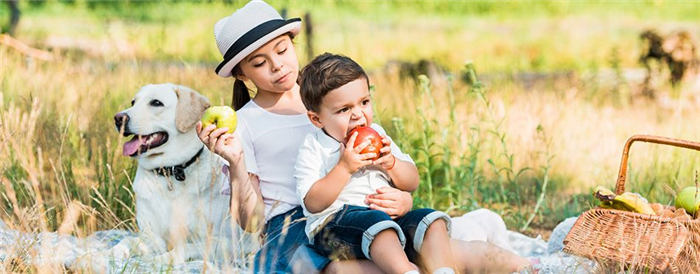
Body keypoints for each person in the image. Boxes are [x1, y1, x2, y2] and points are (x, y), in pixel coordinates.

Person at [199, 0, 533, 273]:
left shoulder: (331, 97)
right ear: (242, 73)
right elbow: (251, 222)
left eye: (283, 50)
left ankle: (539, 267)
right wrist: (237, 165)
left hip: (362, 209)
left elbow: (382, 165)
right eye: (260, 62)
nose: (277, 66)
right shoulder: (243, 124)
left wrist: (403, 200)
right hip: (297, 225)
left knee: (448, 250)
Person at [294, 53, 456, 274]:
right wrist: (343, 168)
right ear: (317, 119)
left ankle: (444, 271)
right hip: (335, 229)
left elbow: (412, 181)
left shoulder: (377, 134)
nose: (358, 115)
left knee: (431, 221)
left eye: (364, 102)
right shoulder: (314, 147)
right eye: (344, 110)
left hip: (389, 224)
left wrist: (390, 164)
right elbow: (313, 203)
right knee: (377, 222)